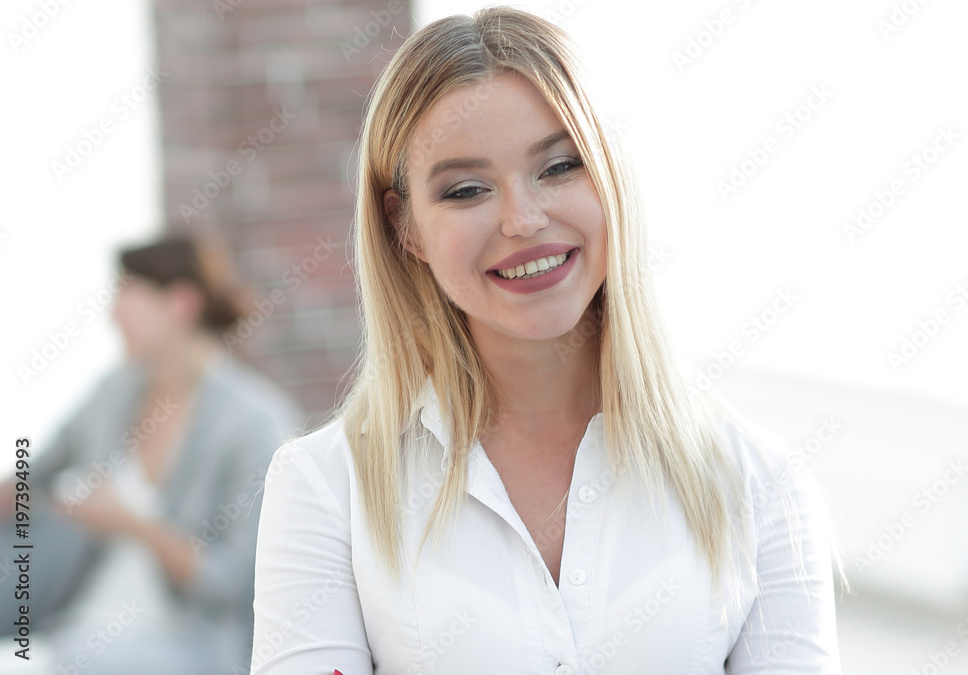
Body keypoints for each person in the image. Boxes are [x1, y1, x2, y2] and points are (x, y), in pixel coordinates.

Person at [250, 6, 842, 674]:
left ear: (610, 176)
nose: (524, 219)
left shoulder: (758, 481)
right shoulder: (327, 489)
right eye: (467, 189)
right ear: (405, 227)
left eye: (559, 167)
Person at [0, 234, 301, 674]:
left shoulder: (254, 423)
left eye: (126, 294)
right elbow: (32, 478)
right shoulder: (113, 392)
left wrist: (129, 522)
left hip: (187, 648)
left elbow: (232, 583)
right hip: (73, 633)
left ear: (179, 303)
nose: (113, 314)